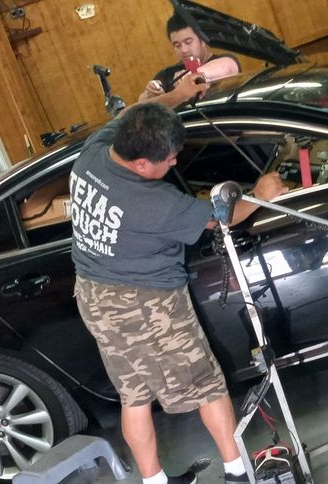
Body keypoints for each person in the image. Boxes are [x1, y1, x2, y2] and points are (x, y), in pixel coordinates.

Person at [70, 88, 287, 483]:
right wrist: (261, 195)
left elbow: (135, 112)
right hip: (146, 304)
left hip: (94, 295)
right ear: (140, 163)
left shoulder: (96, 150)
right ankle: (237, 472)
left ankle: (154, 481)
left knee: (133, 393)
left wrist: (178, 95)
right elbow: (223, 216)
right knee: (207, 382)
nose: (175, 161)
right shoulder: (154, 203)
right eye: (168, 159)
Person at [139, 13, 242, 102]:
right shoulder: (167, 74)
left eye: (188, 42)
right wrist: (149, 93)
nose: (184, 50)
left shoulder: (224, 60)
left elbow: (228, 66)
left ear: (203, 40)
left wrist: (190, 76)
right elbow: (141, 104)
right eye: (177, 45)